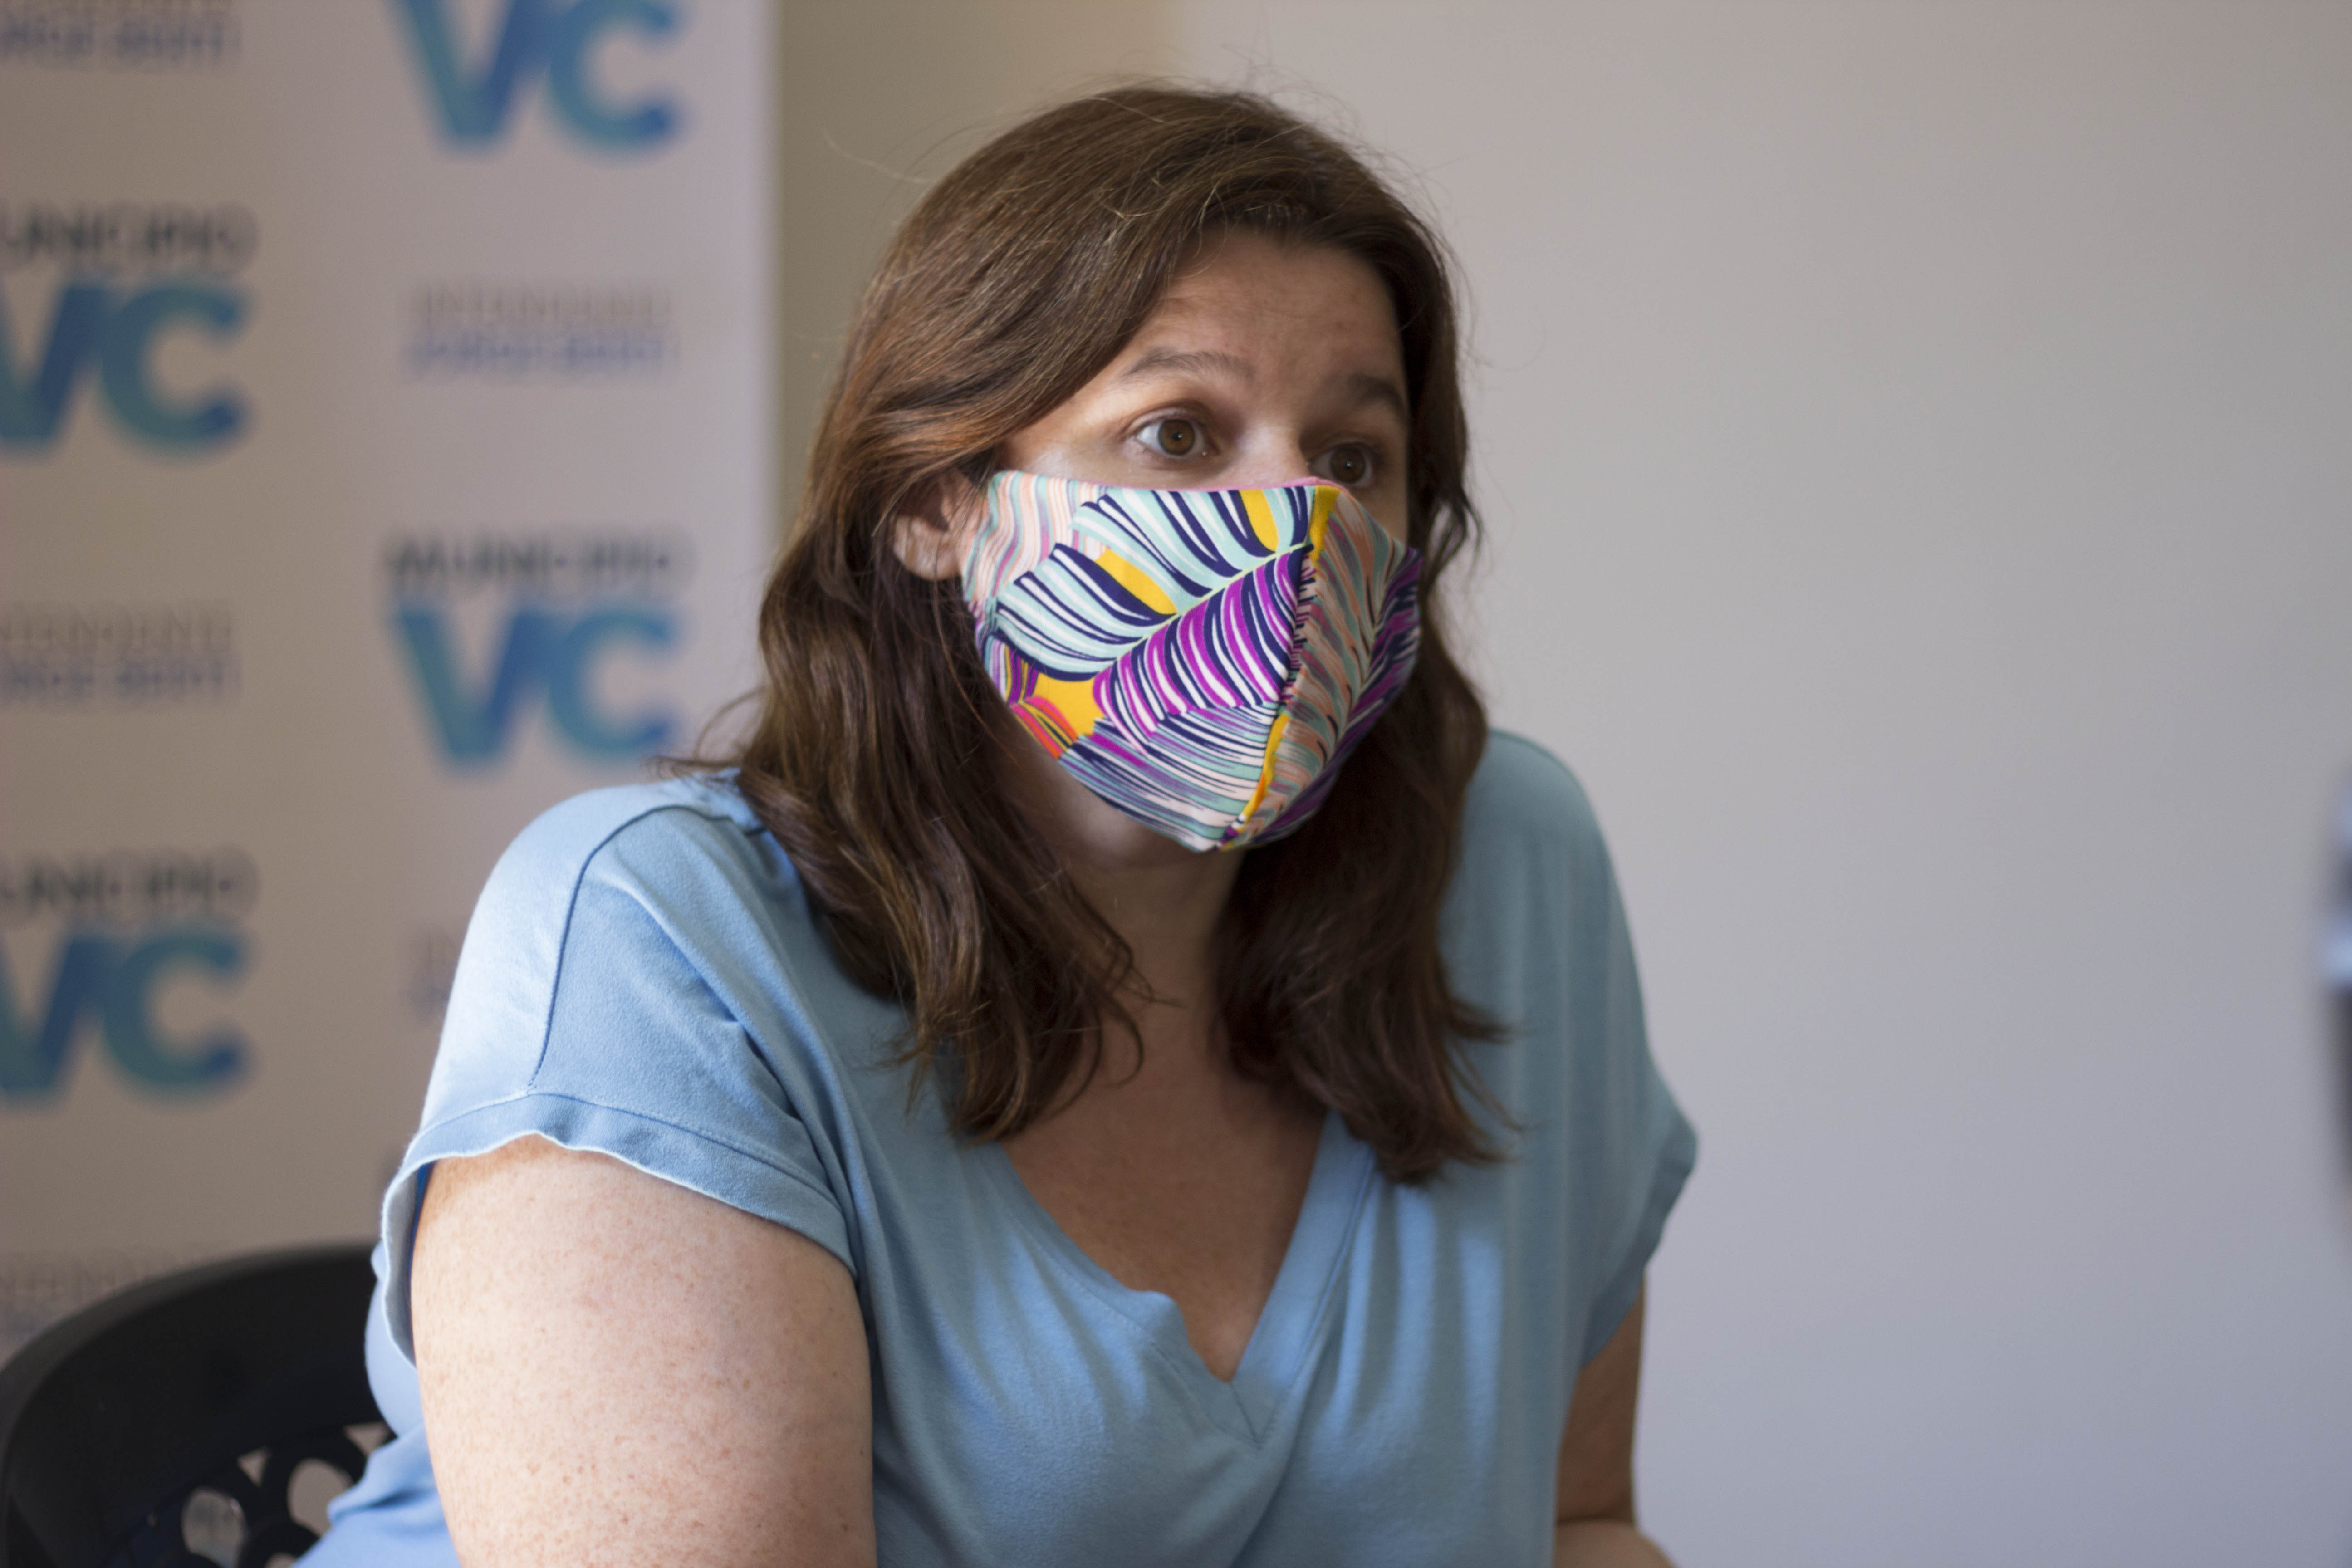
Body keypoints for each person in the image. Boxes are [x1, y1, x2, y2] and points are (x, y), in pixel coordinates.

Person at [305, 86, 1697, 1568]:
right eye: (1177, 434)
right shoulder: (655, 940)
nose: (1294, 526)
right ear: (935, 502)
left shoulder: (1509, 865)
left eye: (1353, 457)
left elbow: (1579, 1527)